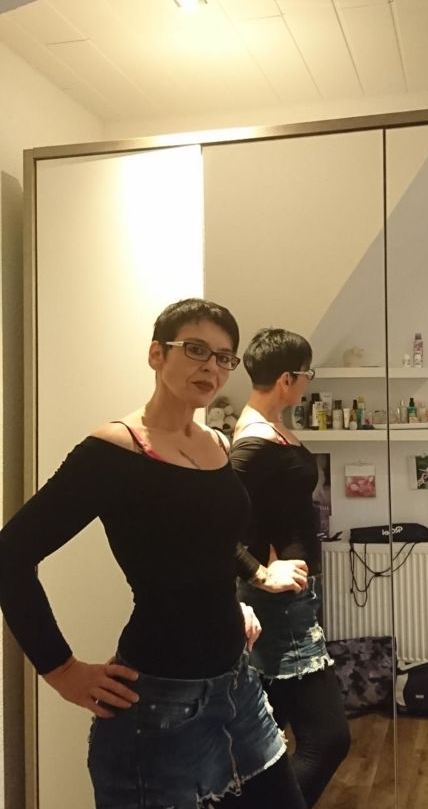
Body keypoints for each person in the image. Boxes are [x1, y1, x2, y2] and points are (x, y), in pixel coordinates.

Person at [0, 299, 309, 809]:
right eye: (196, 349)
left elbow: (209, 541)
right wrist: (62, 670)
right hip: (159, 708)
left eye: (224, 358)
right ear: (156, 354)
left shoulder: (216, 444)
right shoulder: (113, 451)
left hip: (240, 689)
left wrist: (234, 600)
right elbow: (10, 556)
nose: (211, 367)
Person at [230, 328, 351, 808]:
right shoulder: (253, 443)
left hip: (290, 602)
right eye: (306, 374)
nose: (307, 381)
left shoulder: (270, 427)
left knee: (265, 744)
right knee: (327, 740)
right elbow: (211, 524)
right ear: (287, 378)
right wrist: (260, 573)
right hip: (278, 607)